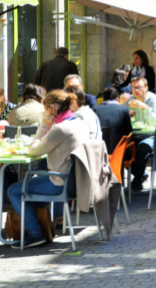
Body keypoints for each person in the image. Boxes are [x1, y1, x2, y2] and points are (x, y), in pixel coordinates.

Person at [7, 90, 88, 248]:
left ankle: (36, 234)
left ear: (52, 108)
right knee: (30, 187)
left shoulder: (60, 129)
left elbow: (34, 150)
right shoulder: (78, 122)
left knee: (14, 190)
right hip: (78, 181)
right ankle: (42, 229)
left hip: (59, 183)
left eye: (45, 109)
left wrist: (44, 125)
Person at [120, 76, 156, 191]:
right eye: (133, 88)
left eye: (139, 87)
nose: (136, 91)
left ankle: (138, 178)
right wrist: (121, 105)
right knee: (122, 152)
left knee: (141, 150)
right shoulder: (128, 100)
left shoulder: (153, 99)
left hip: (151, 135)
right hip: (133, 134)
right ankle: (140, 175)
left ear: (146, 87)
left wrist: (144, 107)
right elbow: (120, 119)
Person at [93, 87, 133, 155]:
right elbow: (129, 132)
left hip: (99, 154)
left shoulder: (94, 110)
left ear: (103, 99)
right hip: (119, 154)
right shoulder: (124, 110)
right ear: (117, 99)